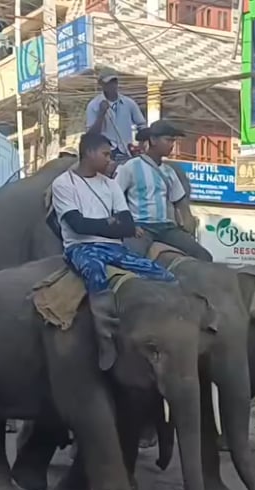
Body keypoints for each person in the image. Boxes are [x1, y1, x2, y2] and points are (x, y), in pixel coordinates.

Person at [50, 132, 177, 370]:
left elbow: (127, 225)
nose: (110, 160)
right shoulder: (63, 184)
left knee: (160, 273)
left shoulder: (110, 184)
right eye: (106, 154)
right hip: (80, 248)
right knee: (95, 272)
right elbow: (77, 226)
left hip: (114, 247)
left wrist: (107, 225)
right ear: (88, 152)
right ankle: (105, 337)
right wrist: (109, 223)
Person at [114, 122, 213, 261]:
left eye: (173, 141)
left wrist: (187, 224)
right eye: (168, 140)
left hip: (166, 228)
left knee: (204, 256)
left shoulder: (169, 172)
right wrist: (129, 225)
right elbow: (115, 197)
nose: (172, 145)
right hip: (141, 227)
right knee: (131, 261)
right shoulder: (131, 167)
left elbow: (179, 202)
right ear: (153, 140)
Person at [86, 69, 147, 165]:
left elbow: (142, 125)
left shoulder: (129, 103)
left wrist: (141, 146)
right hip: (105, 155)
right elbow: (91, 135)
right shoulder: (93, 105)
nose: (112, 85)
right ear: (101, 84)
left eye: (114, 82)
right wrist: (101, 114)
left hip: (127, 152)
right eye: (108, 83)